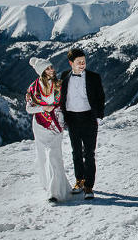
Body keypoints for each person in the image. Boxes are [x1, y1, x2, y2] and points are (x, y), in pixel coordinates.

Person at [60, 48, 105, 200]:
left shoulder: (93, 77)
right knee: (76, 152)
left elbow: (100, 97)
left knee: (89, 153)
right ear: (71, 63)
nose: (82, 65)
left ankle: (89, 186)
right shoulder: (65, 76)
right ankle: (79, 180)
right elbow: (62, 97)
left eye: (84, 62)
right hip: (72, 119)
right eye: (78, 62)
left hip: (89, 118)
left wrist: (98, 116)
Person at [26, 57, 71, 203]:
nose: (52, 70)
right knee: (43, 156)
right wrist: (43, 108)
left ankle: (55, 192)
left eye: (51, 67)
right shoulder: (33, 88)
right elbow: (29, 108)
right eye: (48, 68)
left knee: (54, 155)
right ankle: (49, 186)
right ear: (42, 72)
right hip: (40, 125)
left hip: (56, 123)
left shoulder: (59, 84)